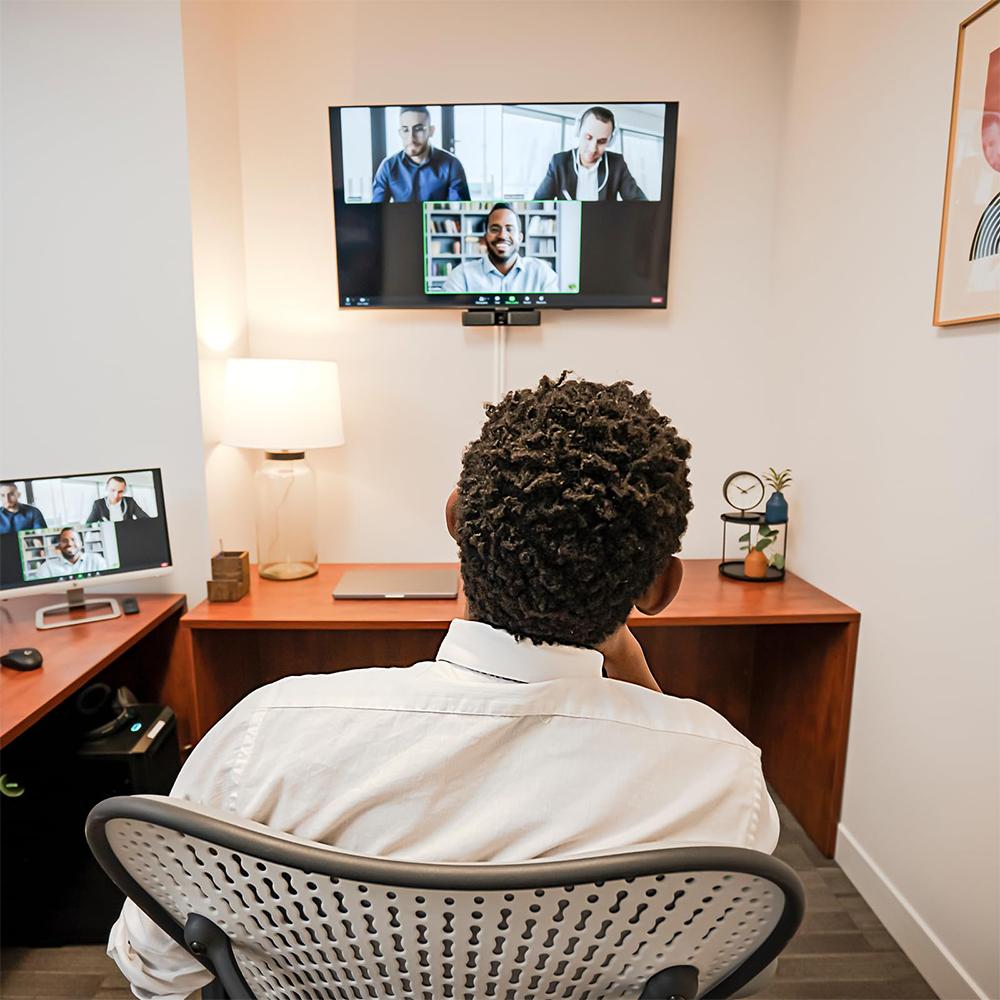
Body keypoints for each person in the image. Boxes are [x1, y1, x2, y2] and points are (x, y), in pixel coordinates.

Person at [108, 374, 778, 998]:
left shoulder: (267, 730)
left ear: (457, 519)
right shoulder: (722, 775)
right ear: (660, 588)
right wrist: (637, 676)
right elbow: (722, 970)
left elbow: (154, 964)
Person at [534, 106, 647, 201]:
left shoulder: (617, 164)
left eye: (602, 141)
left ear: (610, 141)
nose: (593, 149)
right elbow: (538, 203)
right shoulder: (559, 162)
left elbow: (640, 202)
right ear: (578, 131)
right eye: (588, 137)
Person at [442, 203, 559, 293]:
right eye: (494, 229)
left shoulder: (542, 273)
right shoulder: (462, 275)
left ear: (520, 238)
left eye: (509, 229)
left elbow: (553, 315)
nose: (502, 236)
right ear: (485, 237)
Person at [371, 106, 470, 203]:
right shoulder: (388, 166)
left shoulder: (451, 165)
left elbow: (459, 210)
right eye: (405, 130)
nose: (411, 138)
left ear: (431, 131)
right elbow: (376, 210)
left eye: (418, 129)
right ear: (400, 133)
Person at [43, 526, 107, 575]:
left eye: (73, 539)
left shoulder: (97, 560)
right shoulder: (47, 567)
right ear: (59, 545)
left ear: (81, 543)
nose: (69, 544)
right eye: (64, 541)